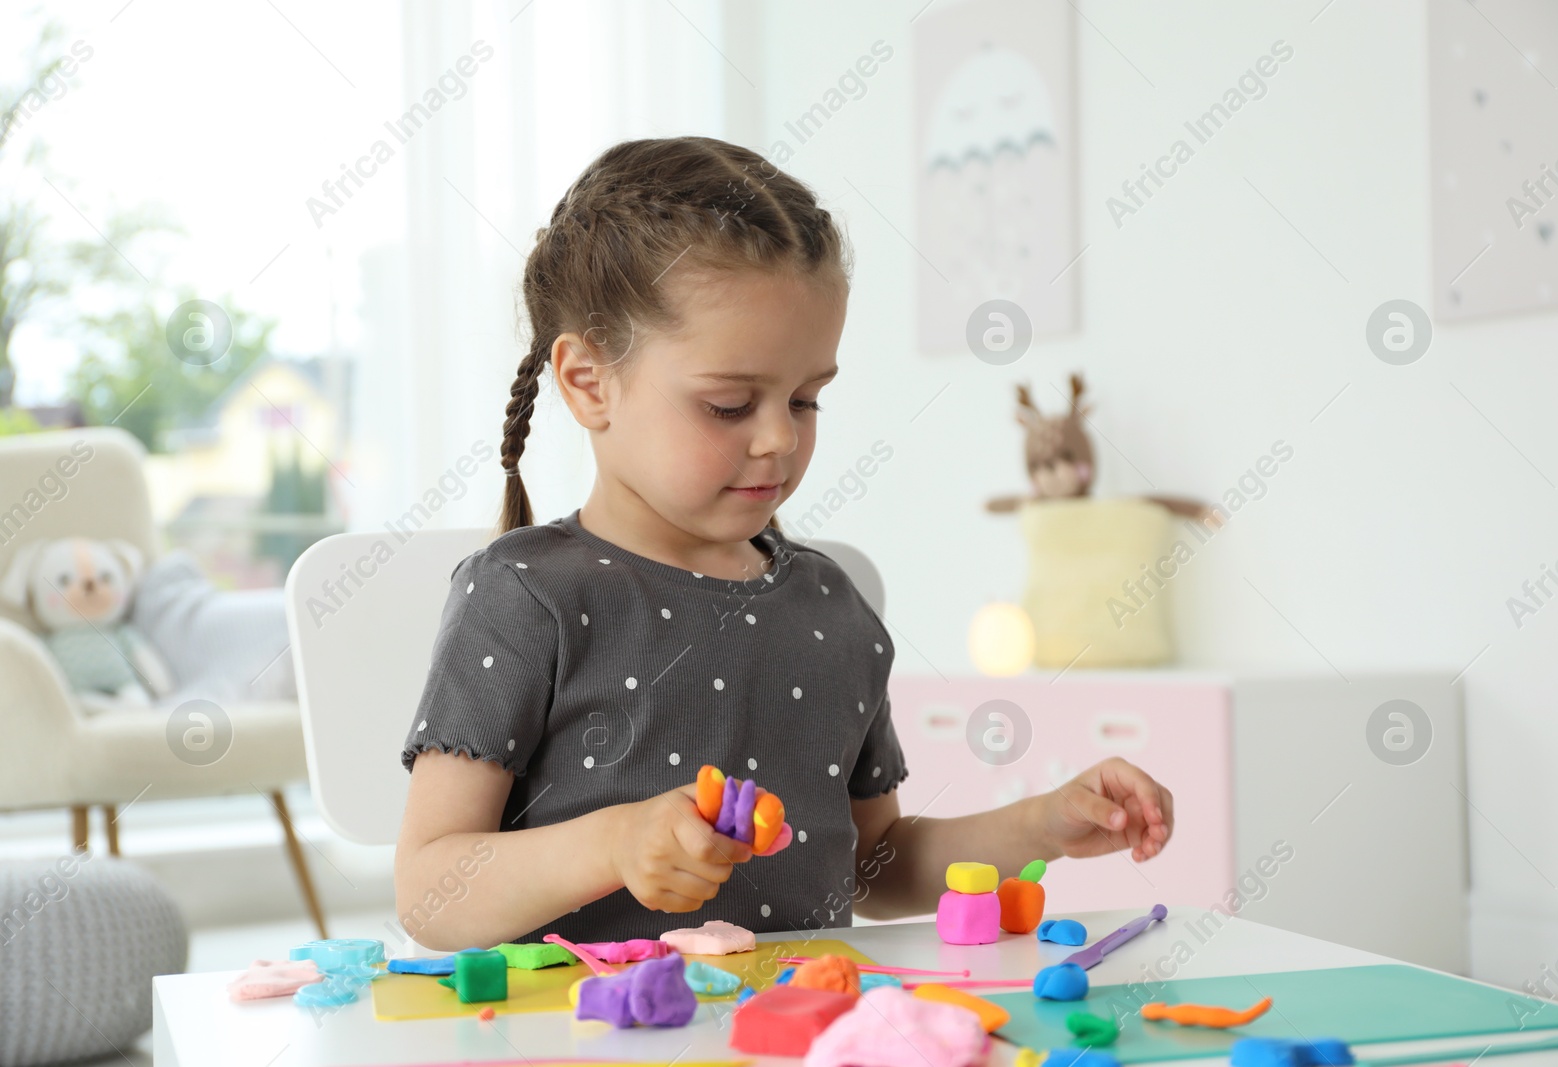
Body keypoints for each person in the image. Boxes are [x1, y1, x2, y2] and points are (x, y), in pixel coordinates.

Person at [392, 136, 1174, 951]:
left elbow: (874, 865)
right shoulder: (526, 593)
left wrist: (1040, 822)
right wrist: (612, 845)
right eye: (730, 404)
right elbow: (430, 892)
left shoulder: (831, 604)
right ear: (589, 382)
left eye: (806, 400)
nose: (778, 439)